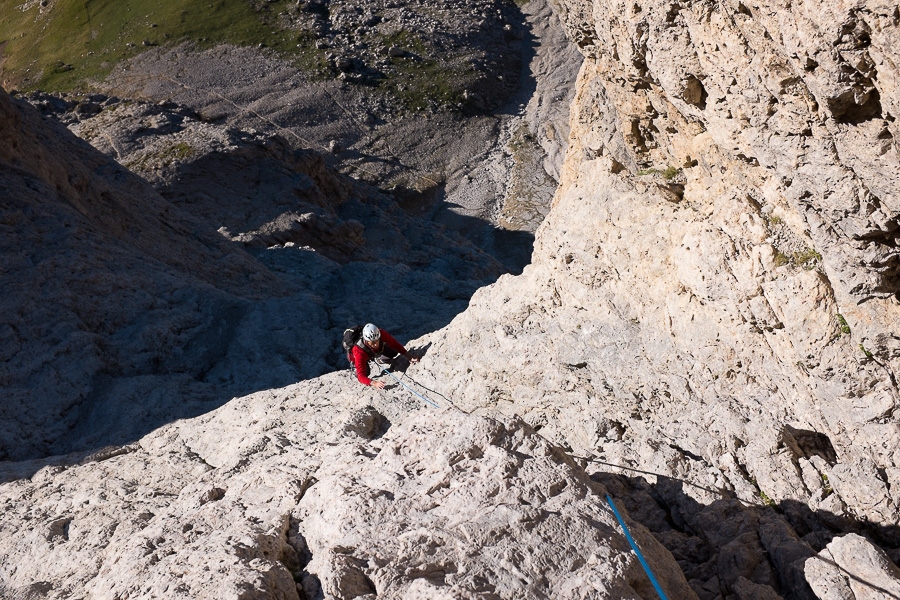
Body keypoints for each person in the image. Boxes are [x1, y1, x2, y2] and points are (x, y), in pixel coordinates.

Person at [350, 323, 419, 389]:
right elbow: (361, 376)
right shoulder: (358, 351)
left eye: (377, 341)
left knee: (394, 352)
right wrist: (373, 383)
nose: (375, 344)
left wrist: (409, 356)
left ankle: (381, 359)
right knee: (366, 373)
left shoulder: (381, 334)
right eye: (372, 343)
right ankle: (354, 366)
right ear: (366, 341)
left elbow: (395, 344)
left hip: (373, 352)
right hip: (359, 357)